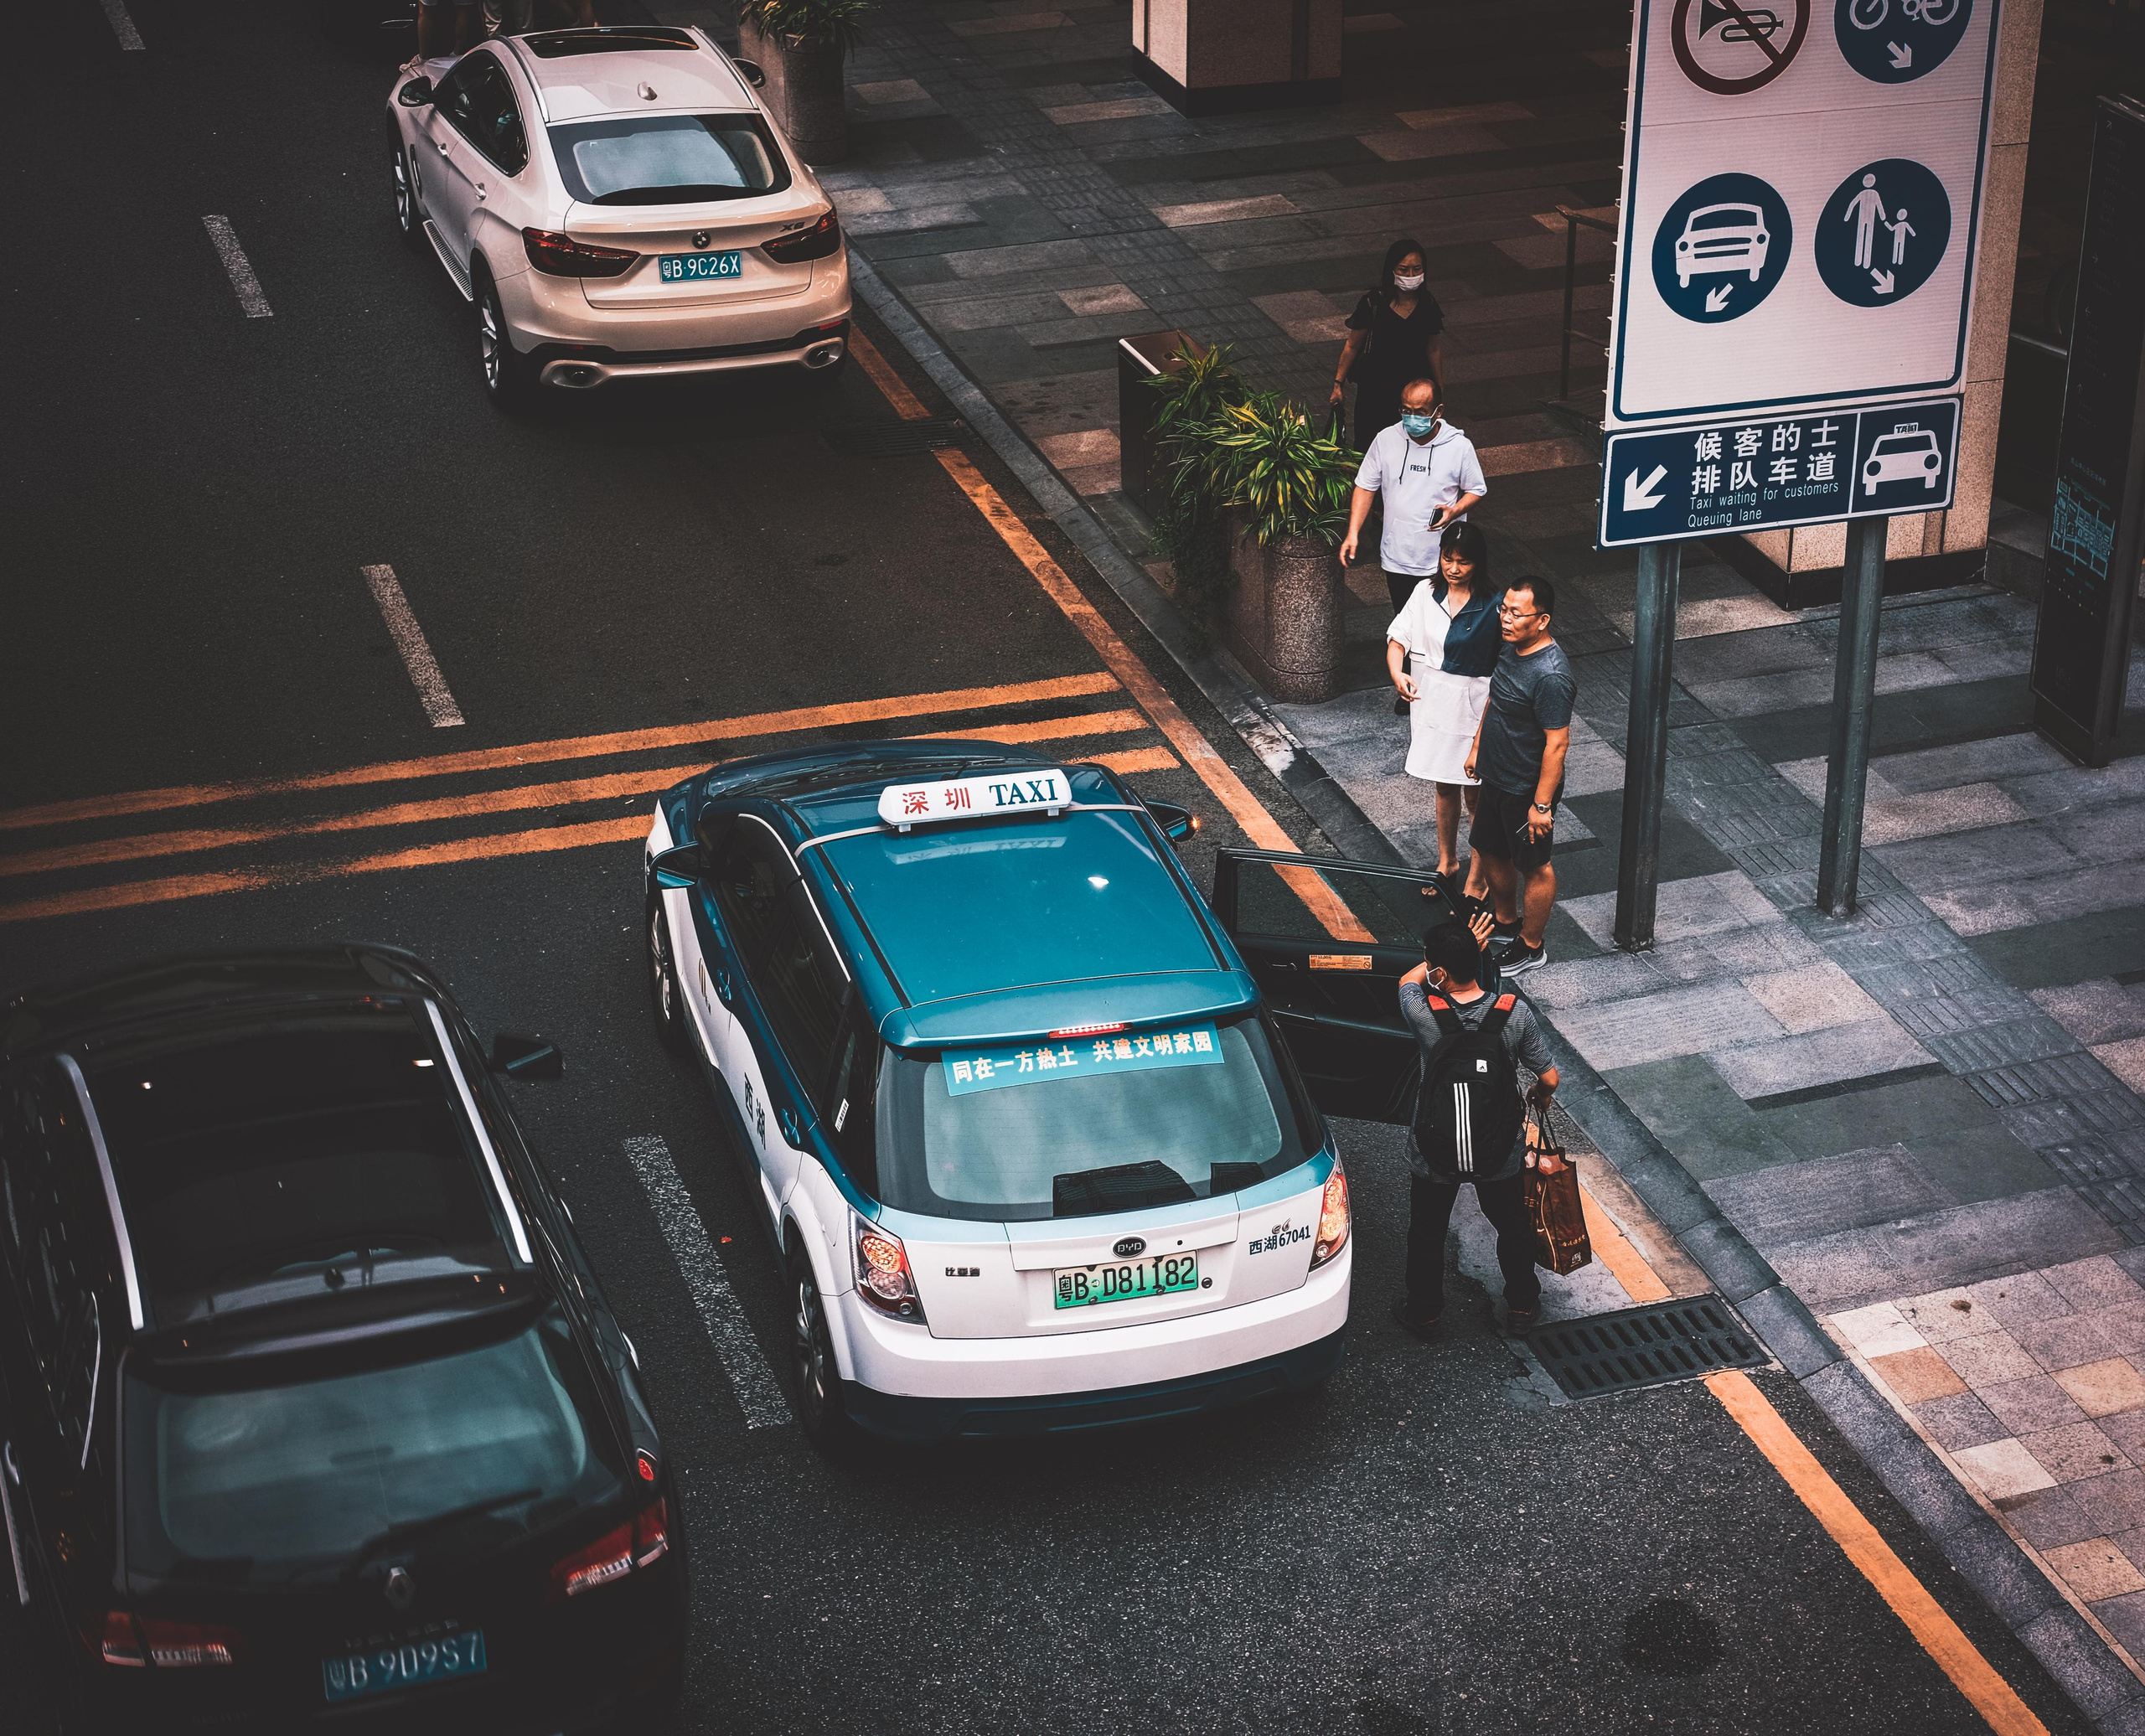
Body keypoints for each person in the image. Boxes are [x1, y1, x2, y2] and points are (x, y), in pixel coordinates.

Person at [1392, 919, 1559, 1338]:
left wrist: (1443, 958)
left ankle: (1425, 1313)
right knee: (1512, 1225)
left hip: (1434, 1149)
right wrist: (1539, 1095)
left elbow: (1406, 981)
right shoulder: (1514, 1013)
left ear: (1440, 973)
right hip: (1498, 1149)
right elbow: (1550, 1077)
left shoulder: (1422, 1010)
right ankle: (1522, 1306)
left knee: (1427, 1231)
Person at [1464, 578, 1574, 979]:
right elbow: (1495, 698)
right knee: (1490, 850)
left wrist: (1541, 805)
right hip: (1496, 775)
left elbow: (1557, 744)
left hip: (1526, 788)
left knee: (1535, 866)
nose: (1505, 619)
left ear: (1542, 620)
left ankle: (1531, 946)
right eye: (1503, 610)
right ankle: (1506, 924)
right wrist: (1478, 747)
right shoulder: (1512, 650)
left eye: (1516, 613)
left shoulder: (1551, 676)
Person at [1387, 521, 1502, 897]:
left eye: (1462, 562)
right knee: (1444, 785)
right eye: (1447, 559)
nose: (1453, 568)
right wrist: (1397, 674)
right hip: (1431, 702)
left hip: (1471, 704)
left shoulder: (1495, 605)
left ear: (1478, 563)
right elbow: (1397, 637)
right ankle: (1447, 861)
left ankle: (1478, 875)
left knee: (1475, 793)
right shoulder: (1425, 591)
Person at [1339, 379, 1488, 618]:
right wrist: (1353, 532)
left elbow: (1477, 489)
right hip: (1397, 555)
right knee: (1405, 621)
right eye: (1406, 410)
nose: (1412, 418)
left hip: (1443, 560)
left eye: (1420, 412)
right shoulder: (1386, 439)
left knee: (1439, 623)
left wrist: (1455, 511)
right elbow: (1365, 486)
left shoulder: (1459, 447)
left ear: (1438, 412)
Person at [1330, 238, 1445, 453]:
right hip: (1376, 390)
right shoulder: (1373, 303)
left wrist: (1438, 388)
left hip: (1414, 392)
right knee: (1371, 445)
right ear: (1392, 270)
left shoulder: (1427, 304)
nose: (1410, 276)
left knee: (1410, 447)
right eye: (1404, 269)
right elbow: (1352, 346)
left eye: (1416, 269)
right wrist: (1338, 383)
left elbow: (1433, 349)